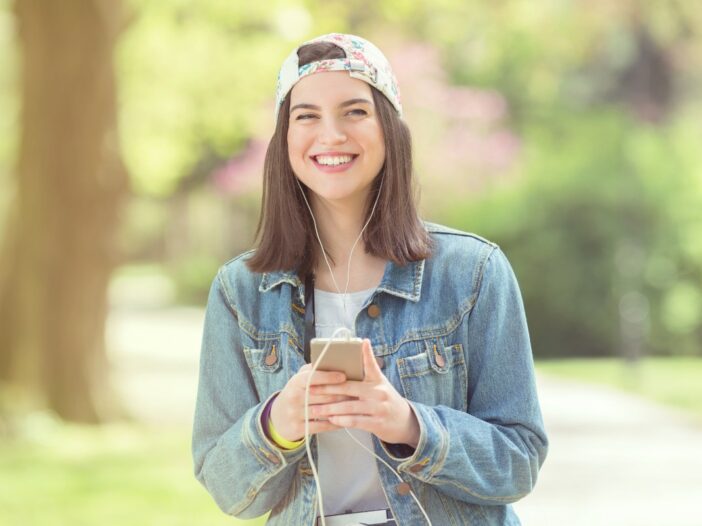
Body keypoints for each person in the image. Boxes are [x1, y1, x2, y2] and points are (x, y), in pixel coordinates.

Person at [192, 33, 548, 526]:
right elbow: (230, 490)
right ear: (286, 140)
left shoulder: (473, 273)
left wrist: (407, 423)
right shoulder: (240, 292)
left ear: (390, 129)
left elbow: (520, 460)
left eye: (355, 111)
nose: (331, 134)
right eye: (307, 116)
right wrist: (280, 422)